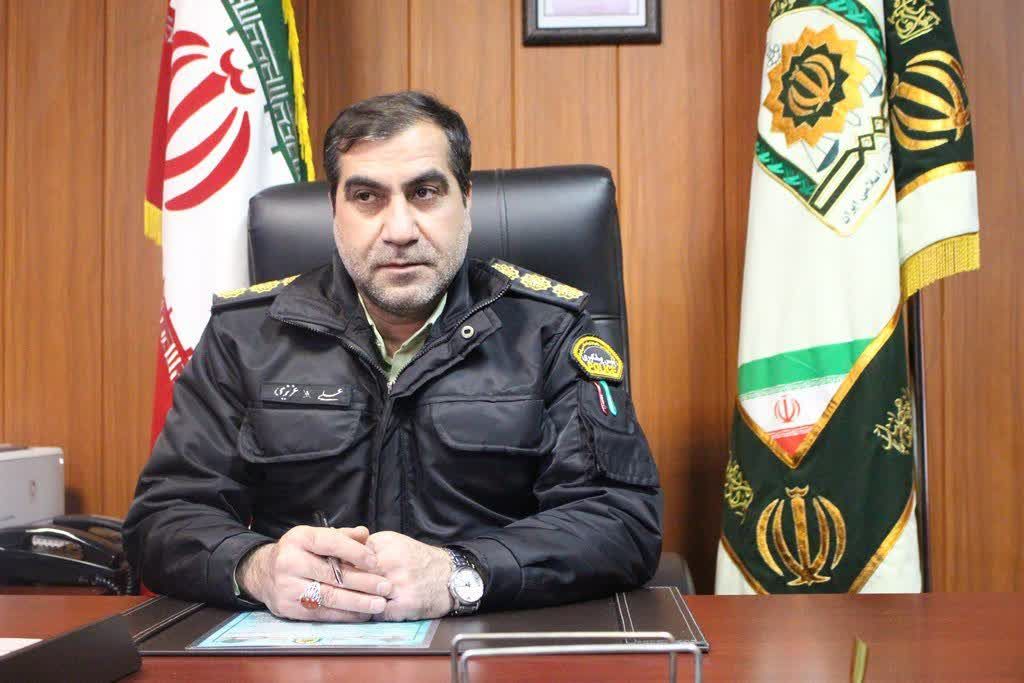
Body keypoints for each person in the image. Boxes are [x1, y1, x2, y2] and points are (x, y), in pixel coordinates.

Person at [124, 91, 662, 623]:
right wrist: (255, 567)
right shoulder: (245, 335)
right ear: (333, 210)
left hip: (488, 640)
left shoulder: (550, 331)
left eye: (425, 192)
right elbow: (163, 519)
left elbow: (620, 520)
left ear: (466, 200)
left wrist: (461, 574)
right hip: (299, 646)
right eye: (366, 197)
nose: (400, 231)